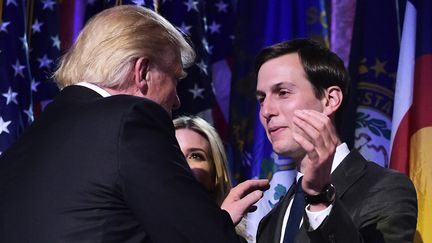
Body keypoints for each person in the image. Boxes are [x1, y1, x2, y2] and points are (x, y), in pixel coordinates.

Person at [0, 5, 268, 243]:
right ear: (142, 72)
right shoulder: (131, 118)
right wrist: (216, 226)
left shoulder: (25, 143)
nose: (176, 100)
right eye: (175, 78)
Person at [254, 39, 417, 243]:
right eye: (261, 99)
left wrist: (320, 198)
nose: (266, 111)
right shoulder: (272, 219)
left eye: (283, 93)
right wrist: (220, 222)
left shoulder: (386, 188)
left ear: (330, 100)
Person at [174, 116, 250, 242]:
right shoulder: (136, 231)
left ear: (215, 175)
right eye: (174, 153)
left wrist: (219, 229)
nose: (183, 164)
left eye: (195, 156)